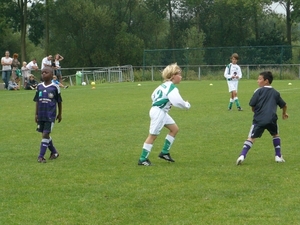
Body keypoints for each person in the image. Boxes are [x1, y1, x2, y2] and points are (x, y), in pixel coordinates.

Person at [138, 63, 191, 166]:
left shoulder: (163, 85)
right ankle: (142, 159)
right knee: (152, 136)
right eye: (179, 74)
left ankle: (164, 152)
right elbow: (177, 102)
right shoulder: (171, 87)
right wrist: (186, 105)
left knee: (174, 129)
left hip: (159, 111)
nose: (181, 76)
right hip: (159, 112)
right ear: (173, 76)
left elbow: (153, 96)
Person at [236, 71, 288, 165]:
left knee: (251, 138)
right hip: (272, 119)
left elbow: (252, 105)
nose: (257, 81)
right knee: (275, 135)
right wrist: (284, 114)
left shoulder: (258, 91)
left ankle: (242, 156)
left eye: (260, 79)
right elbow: (284, 105)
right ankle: (278, 156)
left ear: (266, 81)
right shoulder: (276, 93)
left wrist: (257, 111)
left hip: (259, 119)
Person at [34, 67, 62, 163]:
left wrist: (60, 114)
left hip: (50, 115)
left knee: (45, 134)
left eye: (46, 72)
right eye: (42, 73)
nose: (43, 74)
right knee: (44, 135)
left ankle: (41, 156)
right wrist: (36, 114)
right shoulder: (39, 86)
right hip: (41, 114)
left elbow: (59, 101)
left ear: (51, 74)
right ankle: (54, 152)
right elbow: (37, 101)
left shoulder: (55, 87)